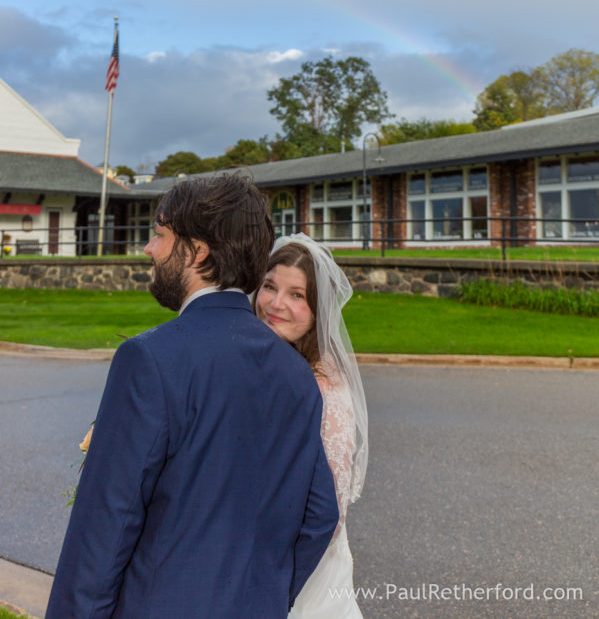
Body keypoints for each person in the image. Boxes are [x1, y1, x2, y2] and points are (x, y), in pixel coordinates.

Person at [46, 176, 339, 619]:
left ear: (197, 252)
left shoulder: (150, 358)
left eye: (161, 235)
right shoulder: (296, 372)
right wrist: (266, 597)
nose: (150, 249)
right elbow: (318, 515)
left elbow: (106, 526)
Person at [255, 233, 368, 618]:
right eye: (269, 287)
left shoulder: (325, 389)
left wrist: (271, 580)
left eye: (297, 295)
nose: (275, 304)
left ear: (320, 310)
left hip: (300, 574)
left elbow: (327, 515)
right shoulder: (265, 364)